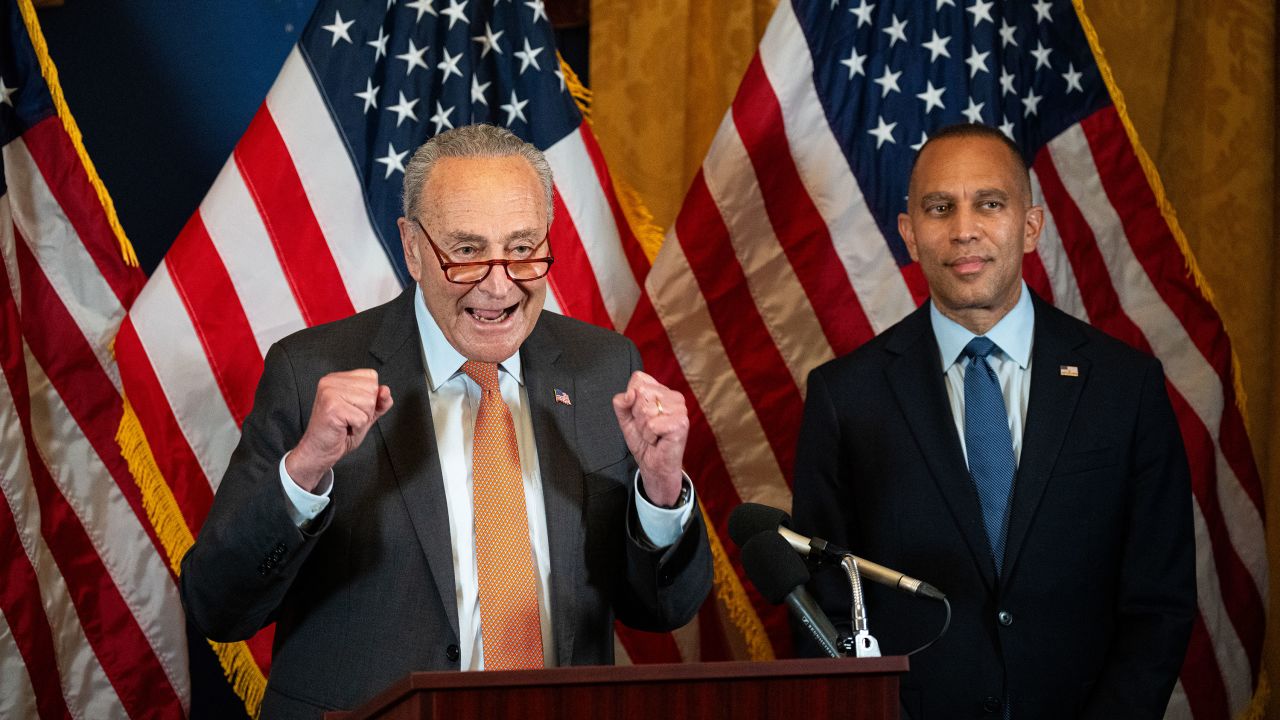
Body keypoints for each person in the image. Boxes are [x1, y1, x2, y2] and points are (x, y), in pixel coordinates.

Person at [180, 124, 712, 719]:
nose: (499, 283)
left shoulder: (604, 368)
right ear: (412, 248)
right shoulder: (311, 373)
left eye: (521, 247)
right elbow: (218, 609)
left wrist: (663, 493)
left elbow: (663, 610)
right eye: (466, 251)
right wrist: (304, 473)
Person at [791, 123, 1195, 719]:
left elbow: (1160, 602)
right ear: (909, 234)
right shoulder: (844, 397)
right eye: (938, 208)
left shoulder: (1125, 387)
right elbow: (820, 605)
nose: (963, 230)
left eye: (990, 203)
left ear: (1030, 227)